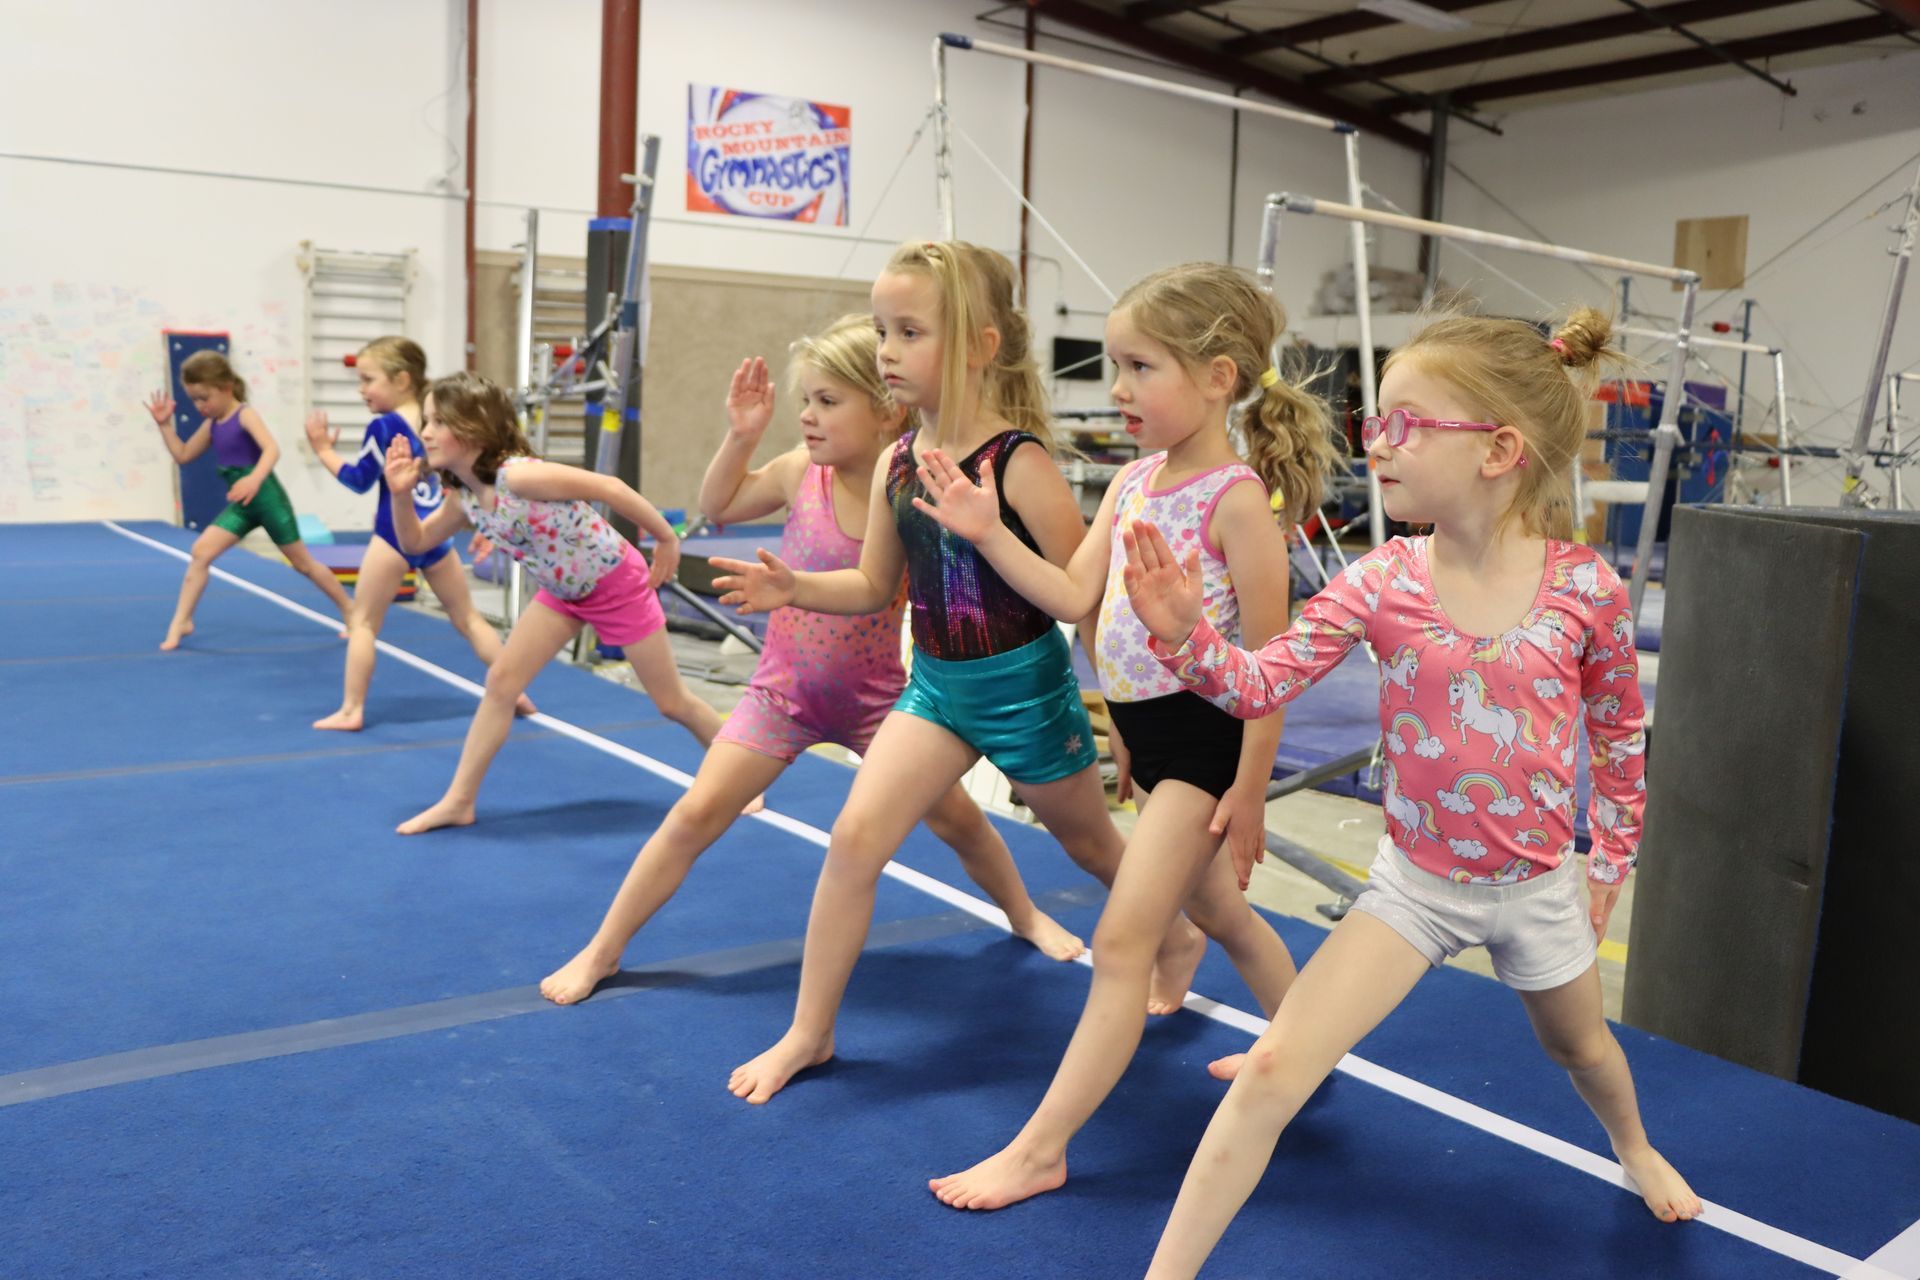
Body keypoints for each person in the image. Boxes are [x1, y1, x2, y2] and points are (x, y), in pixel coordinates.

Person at [1121, 309, 1701, 1278]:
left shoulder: (1585, 588)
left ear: (1499, 450)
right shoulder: (1385, 578)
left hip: (1536, 884)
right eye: (1376, 420)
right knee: (1271, 1067)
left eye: (1405, 423)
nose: (1375, 443)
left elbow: (1617, 731)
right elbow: (1262, 683)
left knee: (1586, 1050)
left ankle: (1634, 1143)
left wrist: (1611, 853)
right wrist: (1189, 638)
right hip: (1414, 883)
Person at [712, 242, 1205, 1105]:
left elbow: (1085, 599)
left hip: (1024, 690)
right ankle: (810, 1031)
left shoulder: (1019, 463)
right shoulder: (901, 458)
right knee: (855, 839)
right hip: (936, 687)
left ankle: (1180, 934)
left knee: (1092, 845)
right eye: (880, 331)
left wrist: (1126, 724)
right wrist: (793, 586)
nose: (886, 352)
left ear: (979, 346)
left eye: (909, 332)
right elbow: (872, 583)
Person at [917, 263, 1335, 1210]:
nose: (1117, 389)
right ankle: (1305, 1047)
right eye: (1116, 366)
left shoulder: (1238, 501)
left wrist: (1250, 790)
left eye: (1141, 367)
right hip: (1151, 741)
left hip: (1208, 743)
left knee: (1121, 943)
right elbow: (1073, 594)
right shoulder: (1135, 480)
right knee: (1224, 916)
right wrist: (988, 531)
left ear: (1220, 376)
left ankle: (1042, 1149)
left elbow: (1272, 668)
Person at [539, 318, 1082, 1006]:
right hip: (781, 693)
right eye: (806, 401)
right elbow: (718, 504)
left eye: (828, 402)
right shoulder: (802, 471)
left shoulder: (910, 487)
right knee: (695, 814)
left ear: (885, 409)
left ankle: (1025, 913)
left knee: (961, 822)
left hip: (882, 699)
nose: (808, 417)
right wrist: (742, 436)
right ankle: (602, 950)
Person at [381, 372, 731, 836]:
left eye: (437, 421)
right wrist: (400, 495)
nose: (424, 432)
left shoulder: (520, 476)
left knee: (671, 702)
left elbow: (609, 487)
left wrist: (666, 539)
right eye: (425, 420)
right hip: (564, 593)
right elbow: (417, 541)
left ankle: (734, 781)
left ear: (474, 428)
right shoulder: (465, 497)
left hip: (617, 584)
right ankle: (459, 800)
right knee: (502, 682)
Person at [303, 337, 530, 730]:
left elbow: (359, 480)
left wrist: (323, 450)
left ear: (402, 380)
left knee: (363, 624)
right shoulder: (438, 426)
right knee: (469, 619)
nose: (361, 389)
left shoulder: (385, 426)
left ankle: (351, 709)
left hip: (396, 534)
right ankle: (518, 692)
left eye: (368, 379)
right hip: (438, 535)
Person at [145, 351, 351, 650]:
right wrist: (164, 425)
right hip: (243, 504)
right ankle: (182, 621)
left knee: (303, 564)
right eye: (194, 400)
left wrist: (254, 478)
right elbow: (184, 455)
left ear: (226, 387)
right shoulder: (212, 424)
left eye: (205, 397)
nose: (200, 406)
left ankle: (350, 609)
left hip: (267, 499)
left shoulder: (244, 414)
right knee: (201, 552)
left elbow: (271, 449)